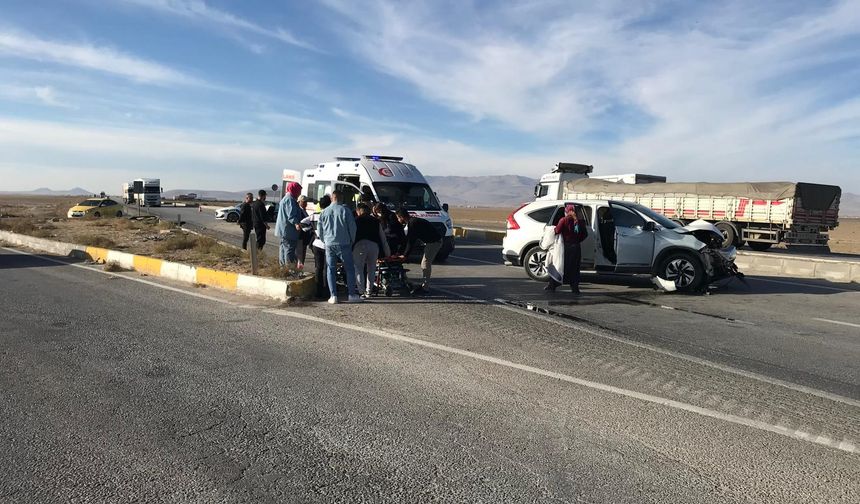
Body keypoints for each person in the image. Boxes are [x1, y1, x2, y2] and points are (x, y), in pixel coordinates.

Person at [318, 190, 360, 304]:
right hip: (344, 243)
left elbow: (320, 230)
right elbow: (352, 228)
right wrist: (352, 240)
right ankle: (351, 294)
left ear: (332, 198)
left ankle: (333, 296)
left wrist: (324, 240)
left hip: (329, 244)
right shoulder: (345, 211)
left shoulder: (324, 212)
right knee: (349, 269)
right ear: (341, 198)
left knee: (330, 269)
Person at [395, 208, 442, 295]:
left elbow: (410, 241)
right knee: (424, 263)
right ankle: (424, 285)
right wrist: (401, 252)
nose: (398, 220)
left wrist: (405, 255)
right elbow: (408, 240)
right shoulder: (412, 222)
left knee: (425, 264)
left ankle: (425, 288)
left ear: (401, 217)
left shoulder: (412, 223)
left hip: (434, 242)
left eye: (398, 218)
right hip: (431, 242)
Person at [546, 204, 588, 294]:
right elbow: (585, 235)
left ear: (566, 211)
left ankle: (553, 285)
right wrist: (577, 240)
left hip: (565, 248)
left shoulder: (563, 220)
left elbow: (557, 231)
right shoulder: (580, 222)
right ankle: (575, 288)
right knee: (575, 268)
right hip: (576, 248)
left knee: (560, 266)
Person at [353, 203, 391, 298]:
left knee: (359, 268)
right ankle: (369, 291)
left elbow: (352, 235)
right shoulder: (376, 221)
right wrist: (387, 252)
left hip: (359, 245)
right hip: (374, 246)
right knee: (372, 269)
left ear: (359, 211)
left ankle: (361, 292)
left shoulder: (356, 220)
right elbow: (383, 238)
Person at [302, 195, 331, 299]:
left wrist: (311, 229)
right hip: (327, 244)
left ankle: (318, 292)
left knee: (318, 268)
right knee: (327, 268)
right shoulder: (330, 215)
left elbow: (303, 223)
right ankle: (327, 291)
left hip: (316, 244)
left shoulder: (314, 215)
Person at [274, 182, 303, 268]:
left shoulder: (287, 198)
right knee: (289, 250)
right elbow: (291, 215)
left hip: (284, 230)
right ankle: (289, 269)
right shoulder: (290, 200)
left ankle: (283, 268)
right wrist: (297, 224)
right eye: (299, 191)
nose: (299, 194)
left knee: (283, 249)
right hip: (288, 231)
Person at [296, 195, 310, 270]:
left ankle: (300, 269)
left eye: (306, 202)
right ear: (300, 202)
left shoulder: (304, 210)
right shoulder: (299, 211)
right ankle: (298, 270)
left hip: (304, 236)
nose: (306, 203)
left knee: (302, 254)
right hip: (300, 236)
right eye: (304, 202)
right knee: (300, 255)